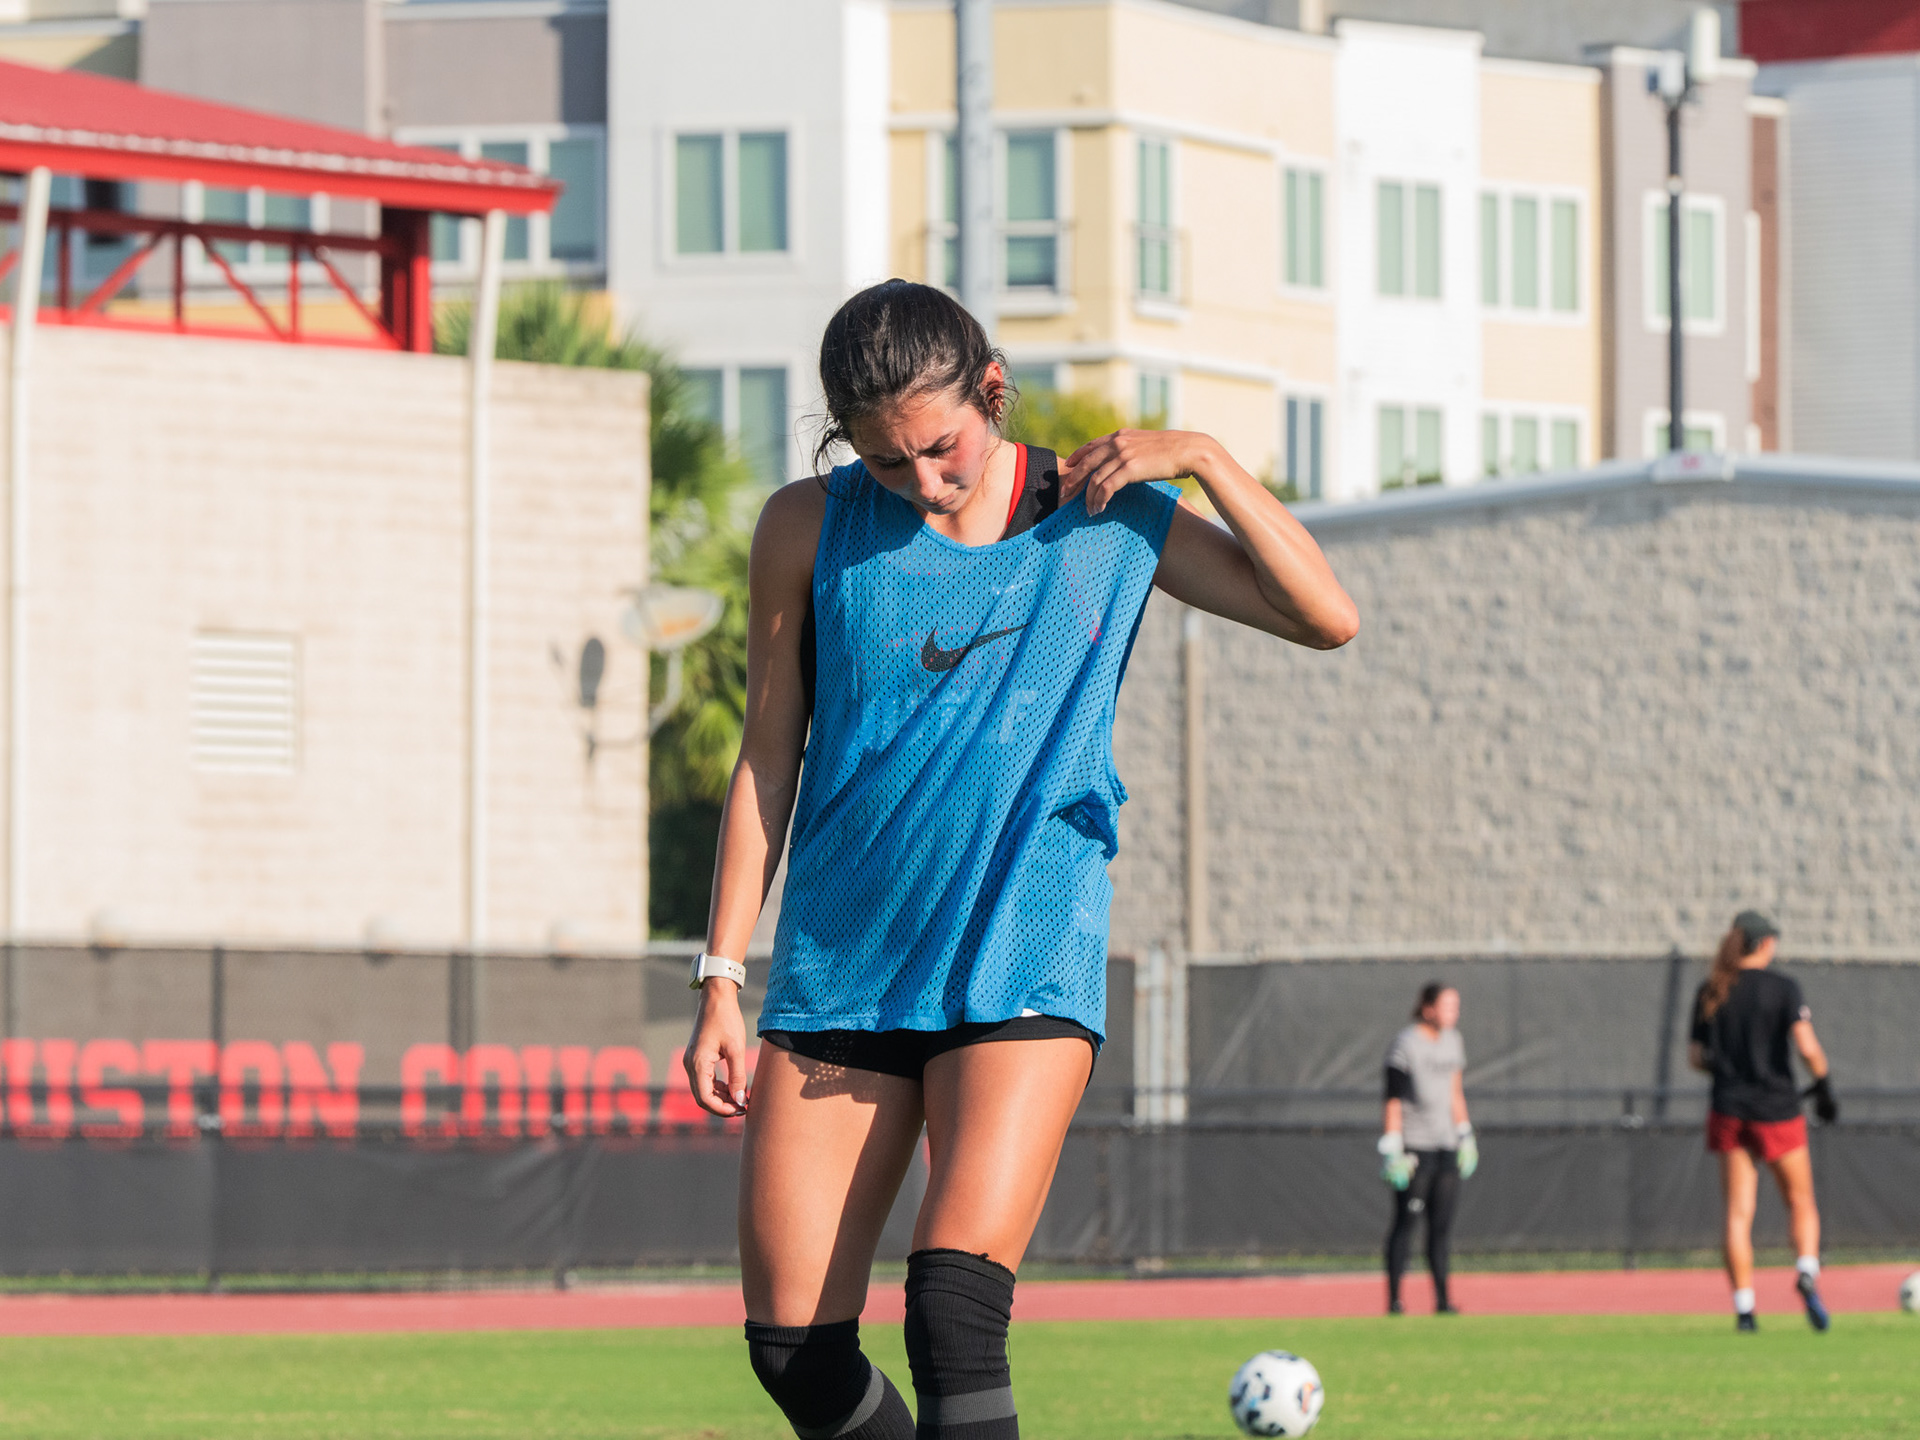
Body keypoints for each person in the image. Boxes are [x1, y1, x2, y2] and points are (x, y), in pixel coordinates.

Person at [683, 279, 1357, 1440]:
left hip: (1023, 954)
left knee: (953, 1312)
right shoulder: (806, 526)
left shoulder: (1109, 512)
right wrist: (719, 975)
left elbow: (1324, 615)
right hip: (844, 963)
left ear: (992, 392)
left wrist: (1202, 457)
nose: (921, 481)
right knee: (794, 1351)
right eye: (885, 460)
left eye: (940, 447)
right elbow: (766, 756)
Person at [1689, 909, 1837, 1332]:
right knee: (1801, 1201)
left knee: (1738, 1213)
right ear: (1766, 943)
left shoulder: (1712, 989)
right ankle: (1805, 1270)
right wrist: (1824, 1085)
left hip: (1729, 1111)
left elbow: (1696, 1057)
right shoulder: (1783, 988)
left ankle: (1745, 1309)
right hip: (1778, 1110)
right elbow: (1807, 1048)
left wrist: (1730, 1072)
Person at [1378, 982, 1476, 1315]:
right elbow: (1392, 1099)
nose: (1454, 1013)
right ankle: (1394, 1300)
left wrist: (1465, 1134)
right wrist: (1393, 1147)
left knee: (1441, 1227)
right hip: (1415, 1147)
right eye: (1447, 1006)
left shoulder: (1453, 1041)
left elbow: (1455, 1092)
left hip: (1446, 1144)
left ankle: (1443, 1300)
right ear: (1428, 1008)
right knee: (1406, 1223)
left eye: (1456, 1007)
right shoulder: (1405, 1045)